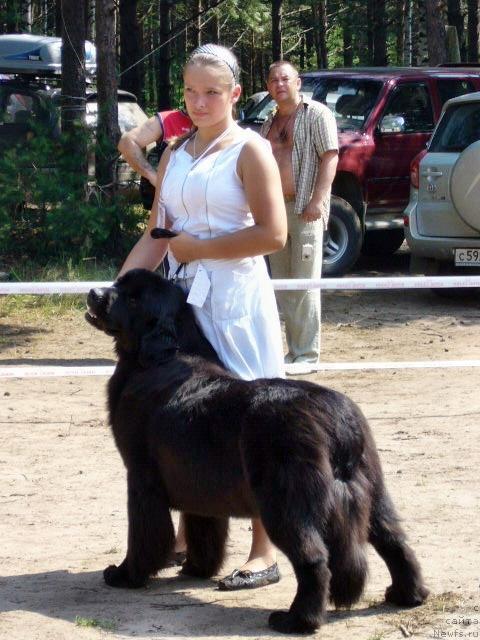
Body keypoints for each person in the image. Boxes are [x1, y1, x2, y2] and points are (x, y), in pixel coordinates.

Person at [118, 43, 287, 591]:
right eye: (190, 91)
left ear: (235, 94)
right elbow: (157, 234)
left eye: (212, 91)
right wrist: (118, 293)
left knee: (255, 416)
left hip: (236, 301)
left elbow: (273, 234)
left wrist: (196, 251)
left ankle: (264, 551)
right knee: (188, 421)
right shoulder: (175, 152)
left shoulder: (251, 150)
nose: (199, 101)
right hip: (180, 302)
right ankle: (191, 539)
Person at [261, 60, 339, 370]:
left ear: (298, 83)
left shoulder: (316, 114)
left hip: (305, 211)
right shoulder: (268, 122)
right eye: (273, 80)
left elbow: (330, 157)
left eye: (285, 79)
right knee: (283, 286)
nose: (279, 84)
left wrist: (317, 201)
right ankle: (292, 353)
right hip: (276, 213)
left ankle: (307, 355)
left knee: (305, 285)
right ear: (268, 87)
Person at [118, 108, 192, 189]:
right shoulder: (167, 119)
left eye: (208, 94)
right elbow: (127, 143)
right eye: (192, 94)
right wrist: (154, 178)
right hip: (168, 196)